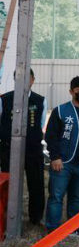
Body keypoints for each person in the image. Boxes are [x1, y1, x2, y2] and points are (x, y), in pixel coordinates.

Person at [43, 76, 79, 234]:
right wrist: (55, 157)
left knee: (77, 197)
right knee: (56, 196)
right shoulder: (60, 111)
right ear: (71, 92)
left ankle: (75, 228)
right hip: (62, 162)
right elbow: (51, 135)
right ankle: (52, 230)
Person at [0, 69, 46, 227]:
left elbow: (40, 125)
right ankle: (6, 216)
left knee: (36, 184)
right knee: (8, 184)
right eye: (19, 78)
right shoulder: (4, 99)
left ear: (33, 80)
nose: (24, 82)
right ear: (14, 80)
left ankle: (36, 217)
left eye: (28, 78)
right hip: (8, 150)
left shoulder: (40, 100)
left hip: (33, 150)